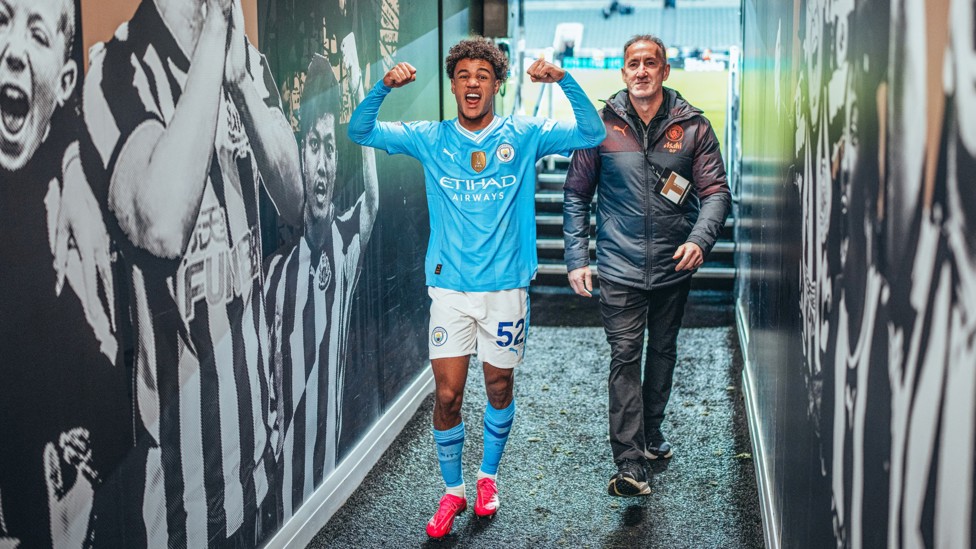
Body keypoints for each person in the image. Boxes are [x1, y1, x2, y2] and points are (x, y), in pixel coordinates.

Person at [349, 37, 605, 538]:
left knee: (499, 387)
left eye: (482, 76)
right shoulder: (431, 137)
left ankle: (487, 478)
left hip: (506, 289)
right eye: (464, 75)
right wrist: (383, 86)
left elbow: (591, 131)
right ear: (453, 84)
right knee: (447, 395)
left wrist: (563, 80)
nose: (472, 83)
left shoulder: (525, 133)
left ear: (497, 84)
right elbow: (360, 129)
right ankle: (453, 490)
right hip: (449, 290)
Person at [79, 0, 303, 544]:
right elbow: (159, 225)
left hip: (259, 462)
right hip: (176, 502)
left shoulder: (243, 59)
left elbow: (296, 201)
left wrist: (242, 85)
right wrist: (210, 50)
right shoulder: (115, 70)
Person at [562, 34, 731, 497]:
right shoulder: (600, 126)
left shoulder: (693, 126)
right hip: (618, 267)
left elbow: (716, 192)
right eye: (633, 64)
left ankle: (651, 433)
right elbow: (577, 194)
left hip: (674, 265)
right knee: (625, 358)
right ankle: (630, 462)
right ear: (623, 73)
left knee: (662, 353)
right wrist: (578, 258)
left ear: (664, 70)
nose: (641, 71)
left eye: (650, 63)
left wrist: (700, 239)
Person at [0, 0, 133, 545]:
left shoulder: (69, 169)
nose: (11, 49)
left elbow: (102, 334)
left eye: (35, 33)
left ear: (65, 78)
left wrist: (84, 439)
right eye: (1, 21)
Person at [264, 43, 378, 520]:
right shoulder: (273, 275)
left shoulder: (346, 243)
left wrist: (356, 70)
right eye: (314, 145)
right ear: (300, 155)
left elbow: (372, 199)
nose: (325, 163)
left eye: (331, 149)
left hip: (329, 480)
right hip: (279, 495)